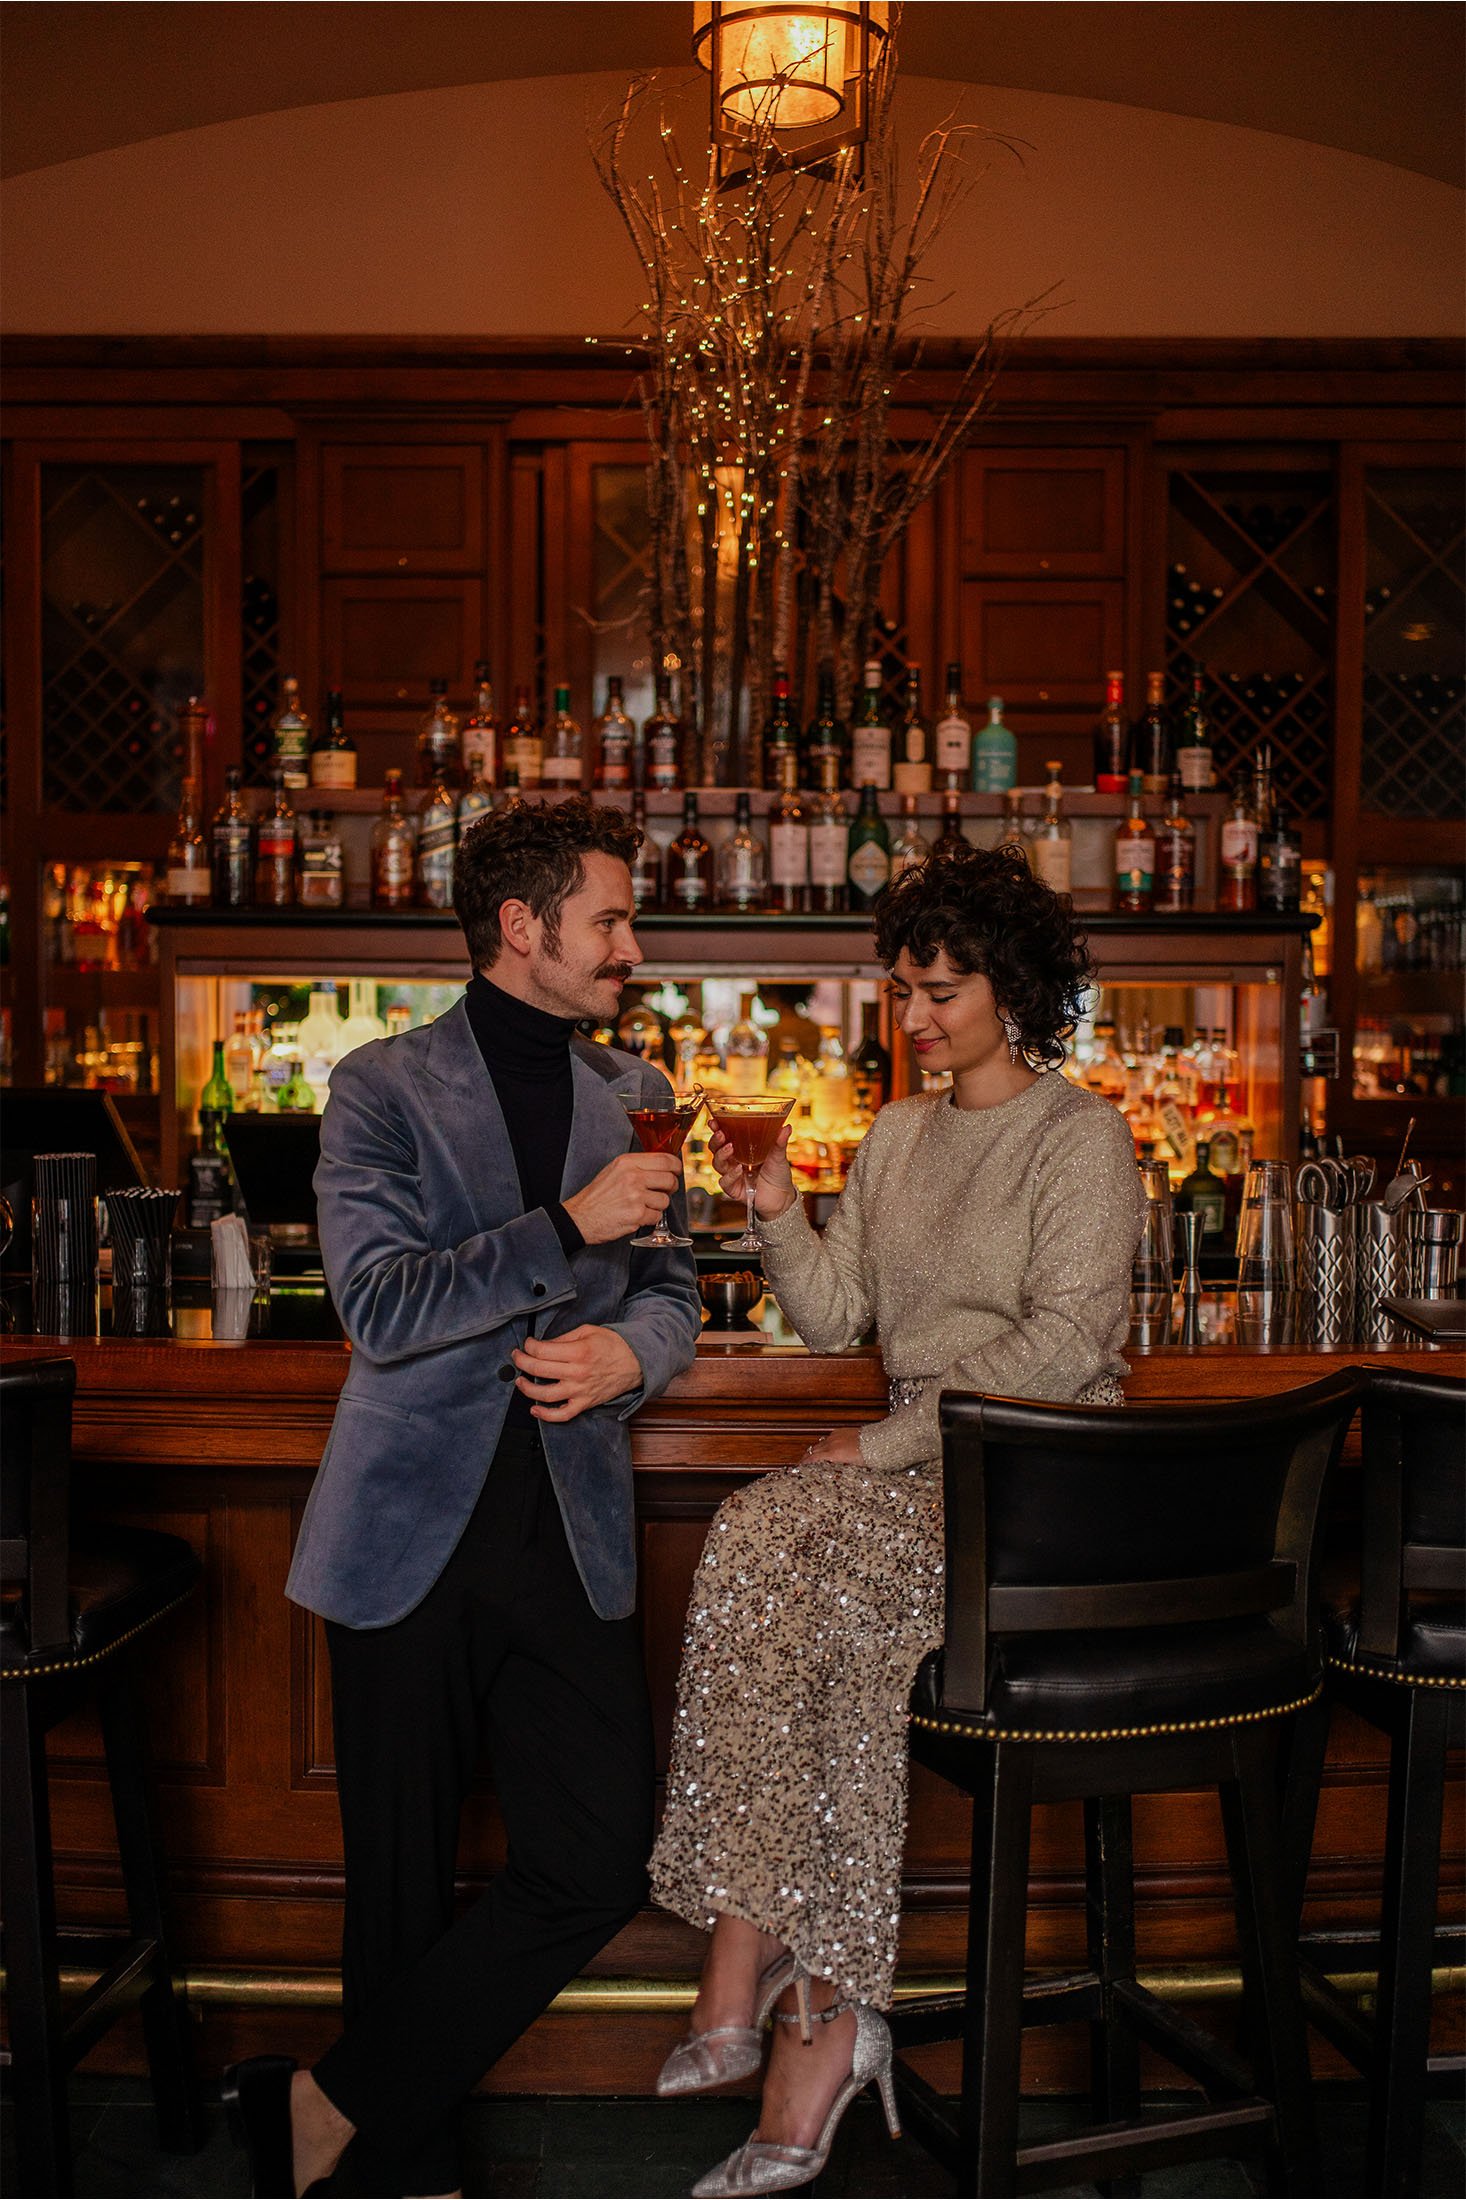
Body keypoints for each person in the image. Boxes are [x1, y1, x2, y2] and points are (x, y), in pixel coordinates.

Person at [649, 843, 1145, 2197]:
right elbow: (835, 1315)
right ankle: (815, 2008)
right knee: (775, 1559)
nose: (912, 1016)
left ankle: (755, 1973)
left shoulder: (1078, 1136)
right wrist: (774, 1215)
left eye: (938, 989)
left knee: (801, 1565)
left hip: (1037, 1493)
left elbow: (1061, 1349)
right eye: (901, 990)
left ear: (1013, 986)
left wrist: (878, 1443)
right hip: (917, 1485)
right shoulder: (897, 1132)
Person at [224, 797, 702, 2198]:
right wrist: (567, 1227)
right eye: (609, 919)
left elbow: (671, 1287)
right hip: (403, 1532)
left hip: (568, 1531)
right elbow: (379, 1306)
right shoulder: (381, 1085)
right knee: (398, 1882)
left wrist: (634, 1348)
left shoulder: (634, 1086)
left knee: (595, 1859)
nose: (631, 945)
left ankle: (330, 2104)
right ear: (521, 926)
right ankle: (397, 2171)